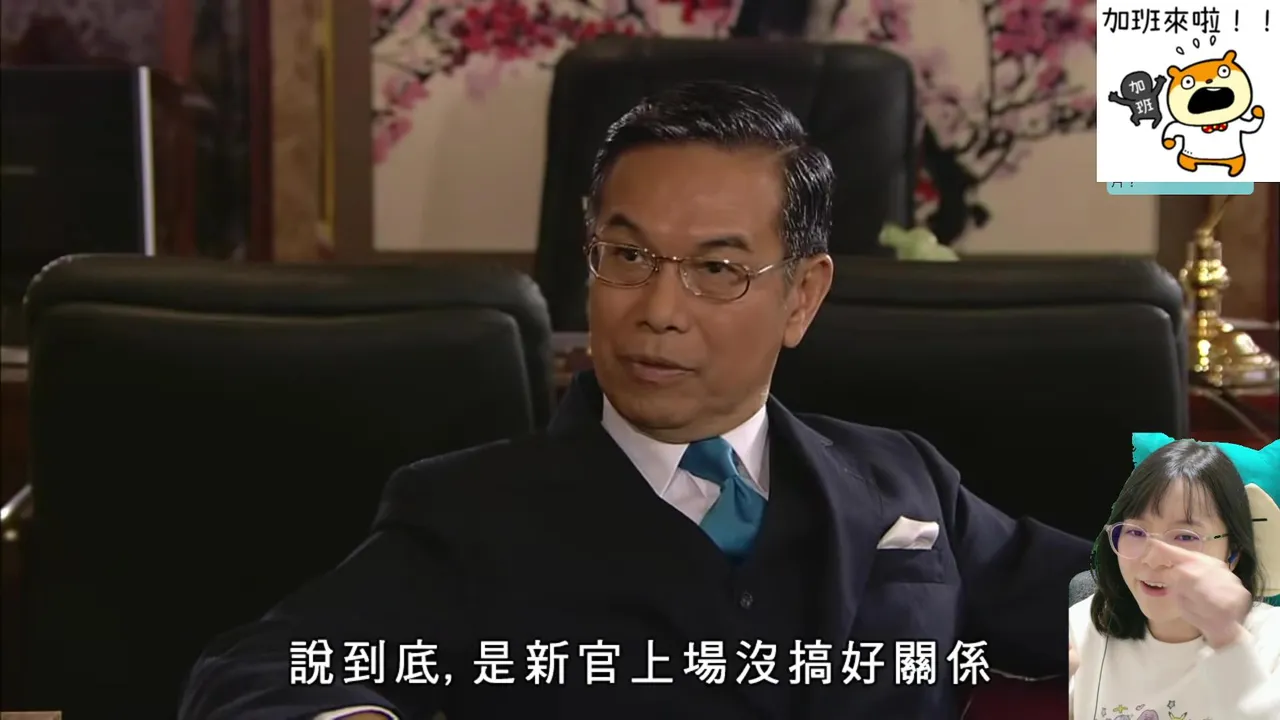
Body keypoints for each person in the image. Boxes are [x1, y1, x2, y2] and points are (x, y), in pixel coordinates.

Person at [179, 80, 1089, 720]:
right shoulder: (468, 513)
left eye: (717, 269)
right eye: (627, 257)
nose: (658, 310)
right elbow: (259, 671)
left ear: (802, 297)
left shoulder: (903, 481)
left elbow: (1119, 601)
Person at [1068, 438, 1280, 720]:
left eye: (1185, 537)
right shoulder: (1080, 628)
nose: (1153, 559)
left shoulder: (1272, 641)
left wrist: (1227, 640)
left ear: (1232, 553)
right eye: (1136, 532)